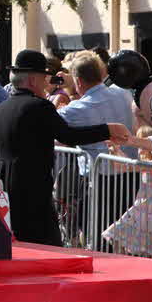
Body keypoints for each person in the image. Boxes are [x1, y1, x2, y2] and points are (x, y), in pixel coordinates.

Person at [0, 49, 131, 246]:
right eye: (44, 78)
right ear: (32, 80)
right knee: (46, 246)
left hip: (5, 188)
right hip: (33, 188)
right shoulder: (39, 106)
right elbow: (69, 135)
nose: (47, 83)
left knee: (15, 244)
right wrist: (107, 129)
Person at [56, 52, 138, 245]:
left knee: (98, 234)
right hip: (129, 172)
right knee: (122, 235)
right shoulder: (122, 93)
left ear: (78, 80)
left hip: (99, 178)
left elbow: (54, 128)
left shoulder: (75, 109)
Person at [101, 126, 152, 260]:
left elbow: (128, 166)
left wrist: (117, 150)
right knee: (118, 236)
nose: (139, 149)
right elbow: (120, 167)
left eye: (141, 144)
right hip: (142, 209)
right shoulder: (148, 163)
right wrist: (114, 150)